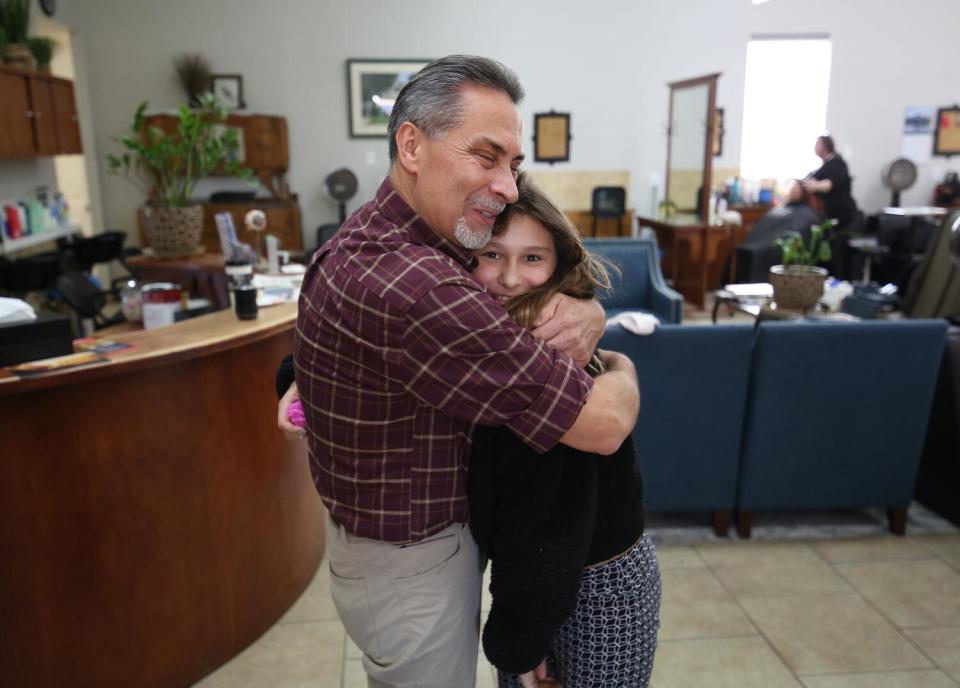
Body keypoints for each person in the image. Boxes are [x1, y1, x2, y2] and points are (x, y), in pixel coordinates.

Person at [285, 55, 640, 688]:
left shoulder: (373, 240)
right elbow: (604, 423)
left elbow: (348, 353)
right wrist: (621, 360)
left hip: (380, 555)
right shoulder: (423, 287)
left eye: (515, 165)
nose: (507, 185)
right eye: (487, 156)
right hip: (412, 568)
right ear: (411, 144)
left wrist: (585, 307)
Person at [469, 175, 660, 688]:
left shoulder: (542, 349)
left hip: (594, 580)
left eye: (532, 258)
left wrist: (523, 639)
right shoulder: (514, 329)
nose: (510, 277)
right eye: (493, 254)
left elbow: (547, 514)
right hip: (550, 575)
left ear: (557, 264)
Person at [733, 179, 822, 283]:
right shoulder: (782, 208)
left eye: (796, 189)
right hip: (759, 242)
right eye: (792, 188)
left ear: (804, 193)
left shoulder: (808, 215)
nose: (793, 191)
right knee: (745, 250)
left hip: (773, 246)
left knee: (757, 253)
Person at [802, 134, 857, 230]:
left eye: (817, 144)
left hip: (840, 214)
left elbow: (830, 184)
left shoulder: (838, 163)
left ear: (824, 146)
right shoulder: (824, 166)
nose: (815, 147)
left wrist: (815, 186)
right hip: (827, 213)